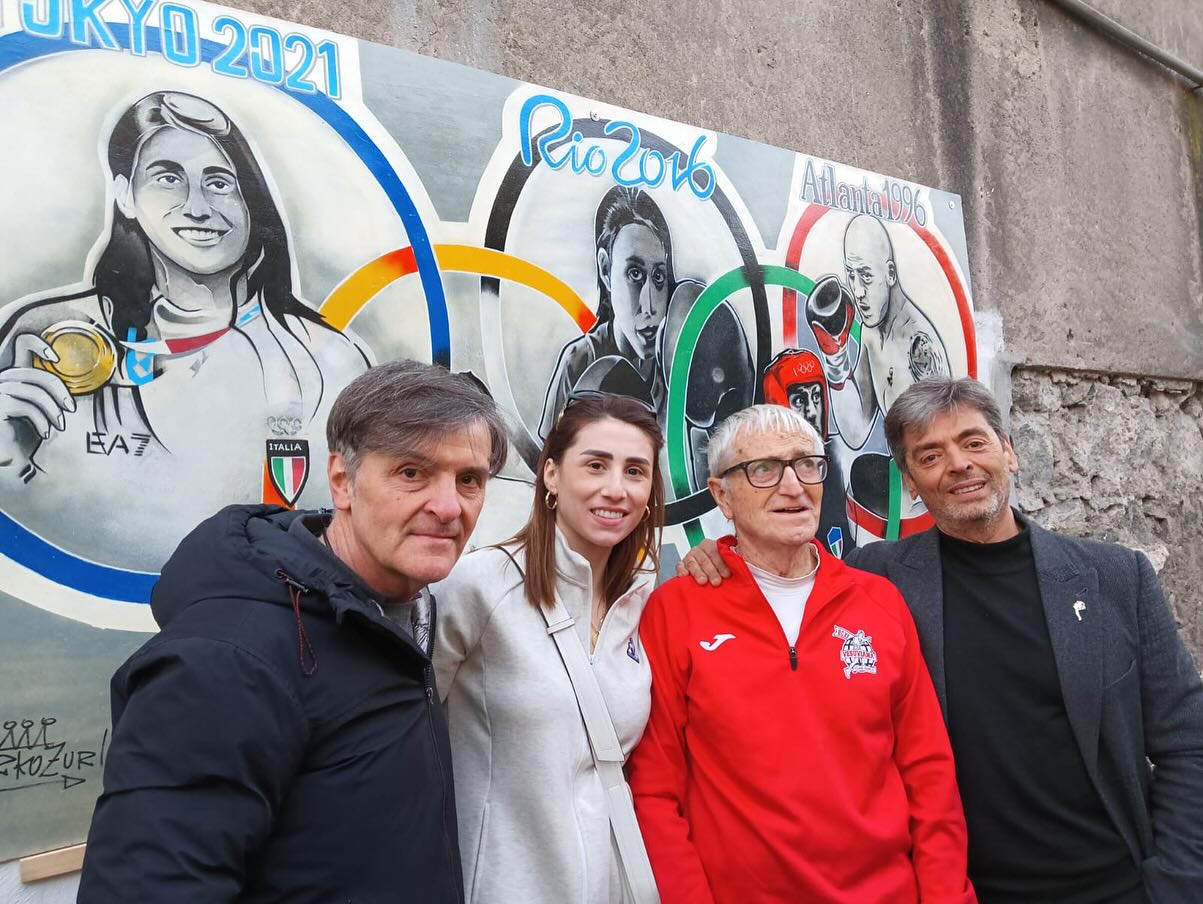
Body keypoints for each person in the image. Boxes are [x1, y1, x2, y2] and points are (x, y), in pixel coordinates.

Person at [679, 377, 1203, 904]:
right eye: (930, 455)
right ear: (910, 483)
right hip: (965, 887)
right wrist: (718, 556)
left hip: (1114, 886)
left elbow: (1187, 741)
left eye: (974, 442)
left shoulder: (1115, 578)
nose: (958, 464)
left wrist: (1176, 884)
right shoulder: (878, 581)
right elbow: (783, 572)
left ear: (1009, 453)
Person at [77, 360, 509, 903]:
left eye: (468, 480)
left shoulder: (405, 612)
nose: (448, 507)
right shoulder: (228, 660)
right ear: (341, 481)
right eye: (411, 473)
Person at [629, 403, 974, 904]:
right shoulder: (676, 609)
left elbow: (929, 776)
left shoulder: (878, 601)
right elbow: (656, 790)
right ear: (722, 495)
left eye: (807, 464)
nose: (792, 486)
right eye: (763, 469)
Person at [0, 90, 366, 500]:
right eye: (168, 178)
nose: (198, 207)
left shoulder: (327, 360)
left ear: (251, 202)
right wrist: (9, 464)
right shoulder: (47, 338)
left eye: (219, 182)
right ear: (125, 195)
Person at [434, 391, 664, 903]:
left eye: (634, 471)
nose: (615, 489)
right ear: (552, 475)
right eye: (596, 465)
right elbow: (406, 736)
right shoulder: (481, 586)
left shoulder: (645, 598)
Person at [539, 186, 673, 439]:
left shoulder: (674, 369)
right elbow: (548, 460)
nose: (650, 305)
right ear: (605, 270)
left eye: (658, 277)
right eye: (634, 274)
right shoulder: (579, 362)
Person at [806, 214, 948, 451]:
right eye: (851, 276)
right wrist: (835, 357)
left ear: (890, 273)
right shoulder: (870, 332)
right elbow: (856, 432)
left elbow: (941, 443)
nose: (858, 291)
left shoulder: (918, 344)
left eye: (866, 276)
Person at [762, 347, 849, 556]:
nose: (811, 411)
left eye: (816, 397)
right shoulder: (761, 477)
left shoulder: (840, 460)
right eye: (800, 400)